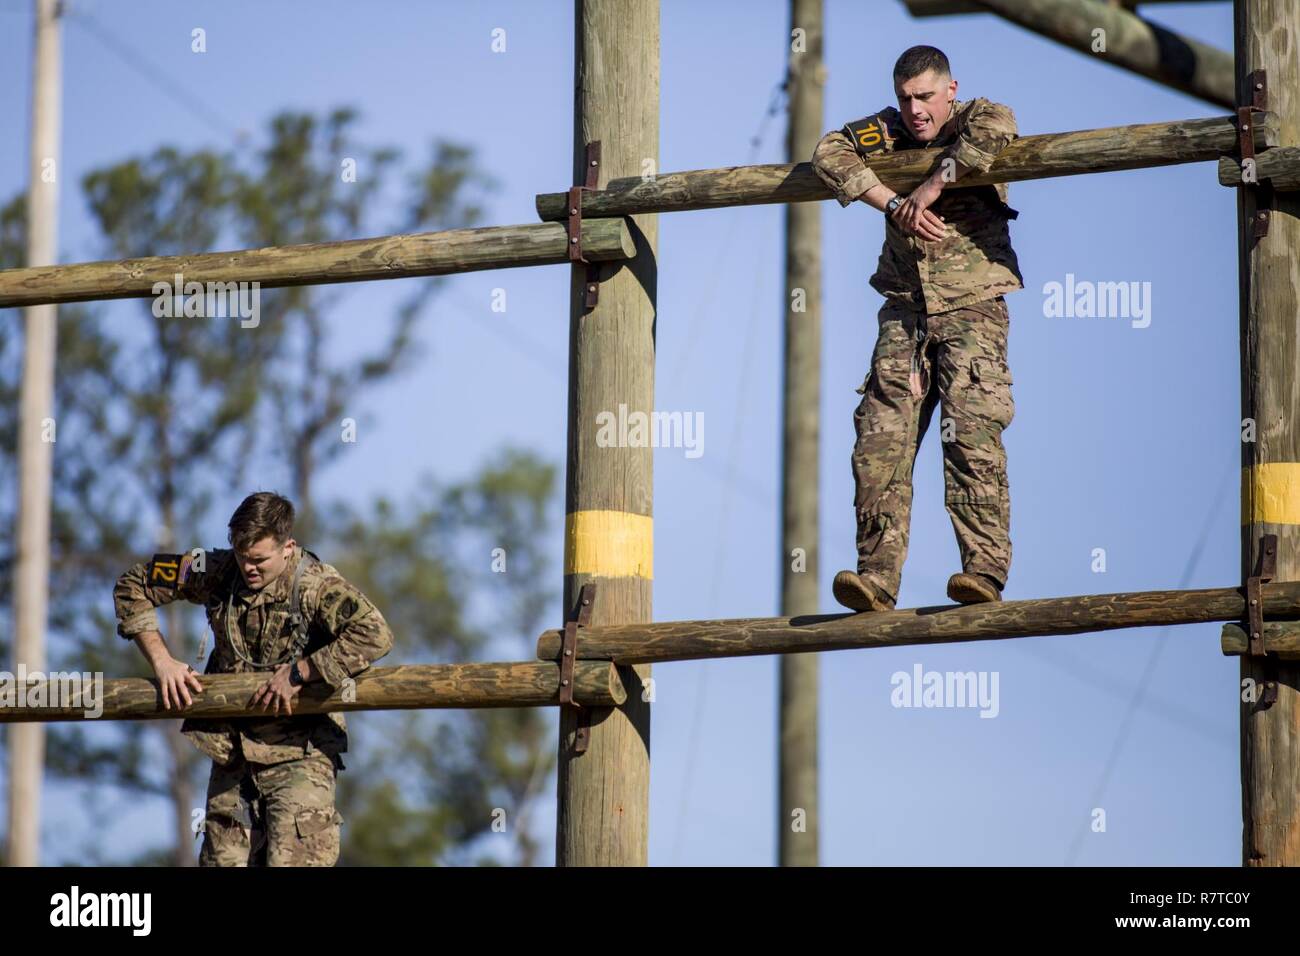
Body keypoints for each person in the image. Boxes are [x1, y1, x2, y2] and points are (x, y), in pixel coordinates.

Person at [813, 44, 1024, 613]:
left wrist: (932, 186)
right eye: (906, 99)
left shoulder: (975, 117)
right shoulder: (885, 131)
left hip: (972, 305)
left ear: (949, 90)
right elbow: (828, 150)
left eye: (926, 97)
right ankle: (876, 578)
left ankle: (983, 570)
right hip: (904, 310)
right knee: (880, 439)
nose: (916, 111)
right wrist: (891, 203)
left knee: (971, 434)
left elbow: (1001, 124)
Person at [113, 491, 394, 865]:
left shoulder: (317, 585)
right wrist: (162, 661)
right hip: (232, 756)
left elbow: (374, 633)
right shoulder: (216, 569)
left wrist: (300, 672)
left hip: (301, 756)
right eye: (242, 557)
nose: (249, 568)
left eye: (259, 559)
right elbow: (134, 584)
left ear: (288, 547)